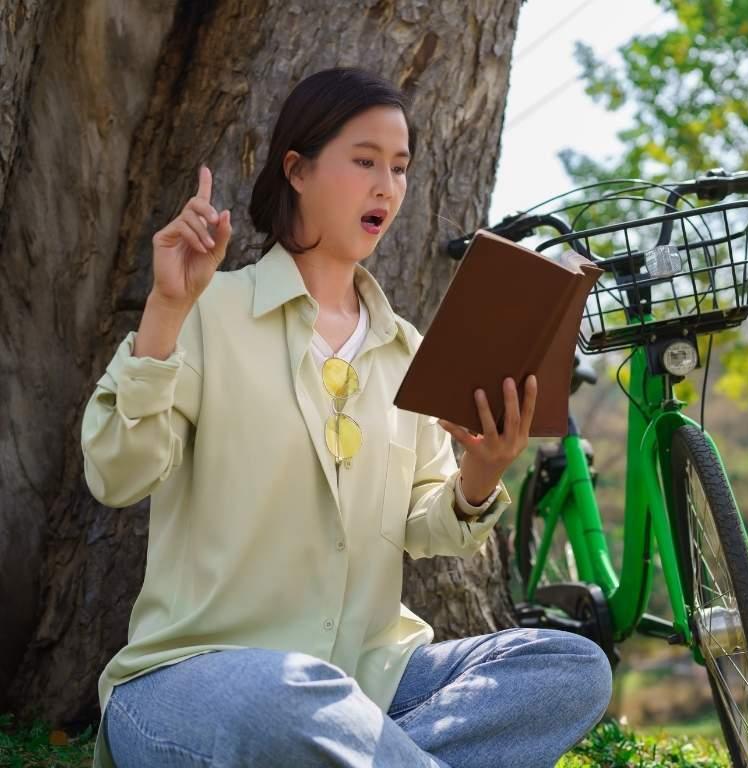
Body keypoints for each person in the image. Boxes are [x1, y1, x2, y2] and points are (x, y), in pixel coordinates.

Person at [80, 67, 613, 768]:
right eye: (364, 161)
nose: (386, 186)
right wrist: (166, 312)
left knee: (567, 668)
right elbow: (117, 475)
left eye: (399, 167)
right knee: (290, 695)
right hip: (203, 681)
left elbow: (426, 527)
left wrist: (479, 477)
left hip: (370, 688)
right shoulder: (208, 313)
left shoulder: (408, 352)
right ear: (296, 170)